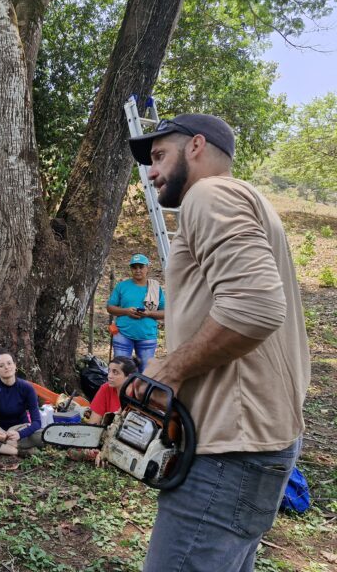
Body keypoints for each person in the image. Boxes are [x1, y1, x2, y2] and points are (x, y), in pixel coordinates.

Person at [128, 113, 309, 571]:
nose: (150, 173)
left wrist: (168, 370)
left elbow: (256, 308)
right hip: (254, 443)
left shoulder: (208, 194)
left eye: (158, 156)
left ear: (196, 147)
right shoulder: (249, 201)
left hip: (229, 453)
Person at [67, 356, 138, 463]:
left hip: (132, 441)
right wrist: (90, 444)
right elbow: (94, 424)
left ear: (129, 377)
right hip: (108, 436)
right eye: (109, 371)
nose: (109, 376)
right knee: (74, 451)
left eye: (115, 372)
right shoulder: (105, 388)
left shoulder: (138, 395)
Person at [106, 254, 164, 372]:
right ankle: (122, 391)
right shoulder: (122, 286)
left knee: (146, 373)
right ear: (131, 269)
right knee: (120, 371)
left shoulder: (155, 288)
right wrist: (126, 311)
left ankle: (140, 391)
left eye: (141, 267)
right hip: (123, 333)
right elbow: (110, 307)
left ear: (147, 268)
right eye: (134, 267)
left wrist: (148, 313)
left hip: (147, 335)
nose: (138, 270)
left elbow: (165, 312)